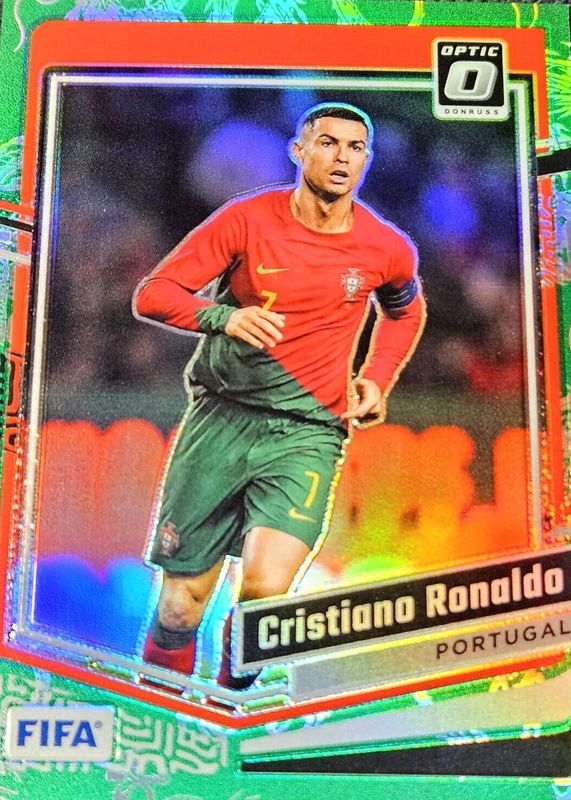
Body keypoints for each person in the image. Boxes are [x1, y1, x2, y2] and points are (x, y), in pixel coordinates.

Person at [133, 102, 426, 690]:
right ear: (298, 151)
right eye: (328, 143)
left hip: (308, 432)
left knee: (264, 600)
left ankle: (227, 713)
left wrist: (377, 376)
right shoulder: (245, 220)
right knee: (180, 608)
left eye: (355, 147)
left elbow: (405, 311)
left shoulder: (386, 248)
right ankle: (164, 715)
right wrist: (221, 317)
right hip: (221, 419)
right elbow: (153, 294)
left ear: (366, 160)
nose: (341, 157)